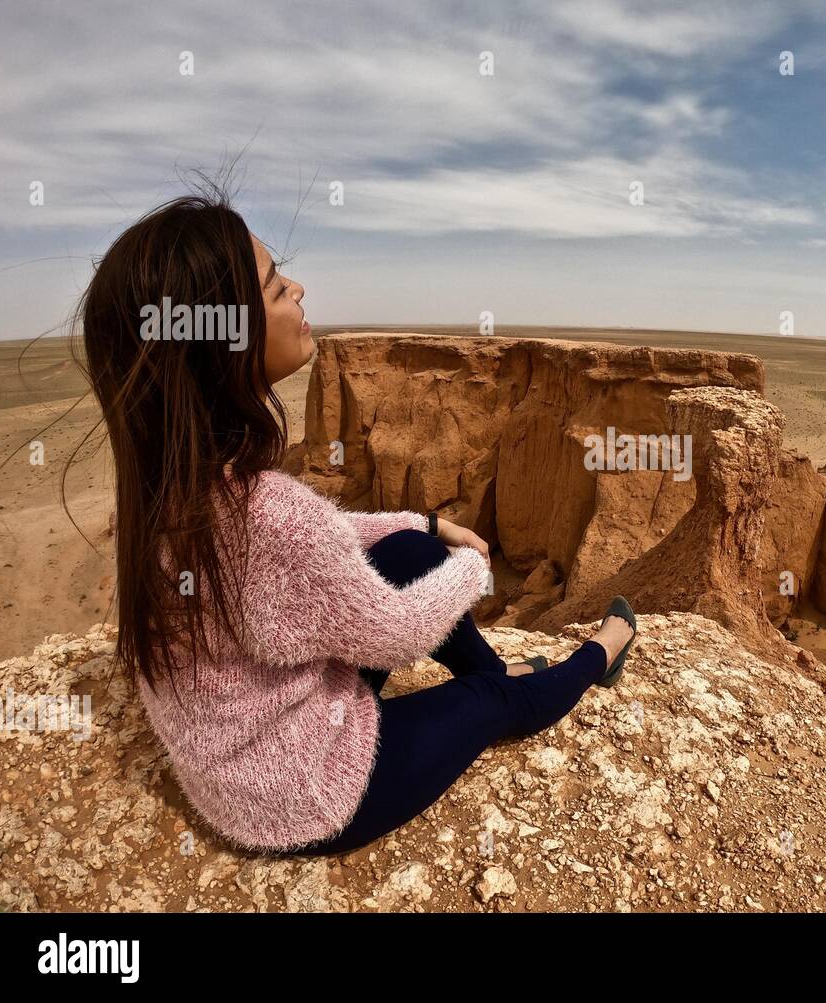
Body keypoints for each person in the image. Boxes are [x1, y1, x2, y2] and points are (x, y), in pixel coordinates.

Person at [77, 188, 637, 856]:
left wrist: (425, 526)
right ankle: (601, 651)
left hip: (244, 760)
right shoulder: (271, 515)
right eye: (275, 284)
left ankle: (495, 670)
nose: (299, 289)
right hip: (301, 794)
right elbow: (396, 634)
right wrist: (472, 566)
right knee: (488, 705)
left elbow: (313, 552)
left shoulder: (172, 491)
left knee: (405, 549)